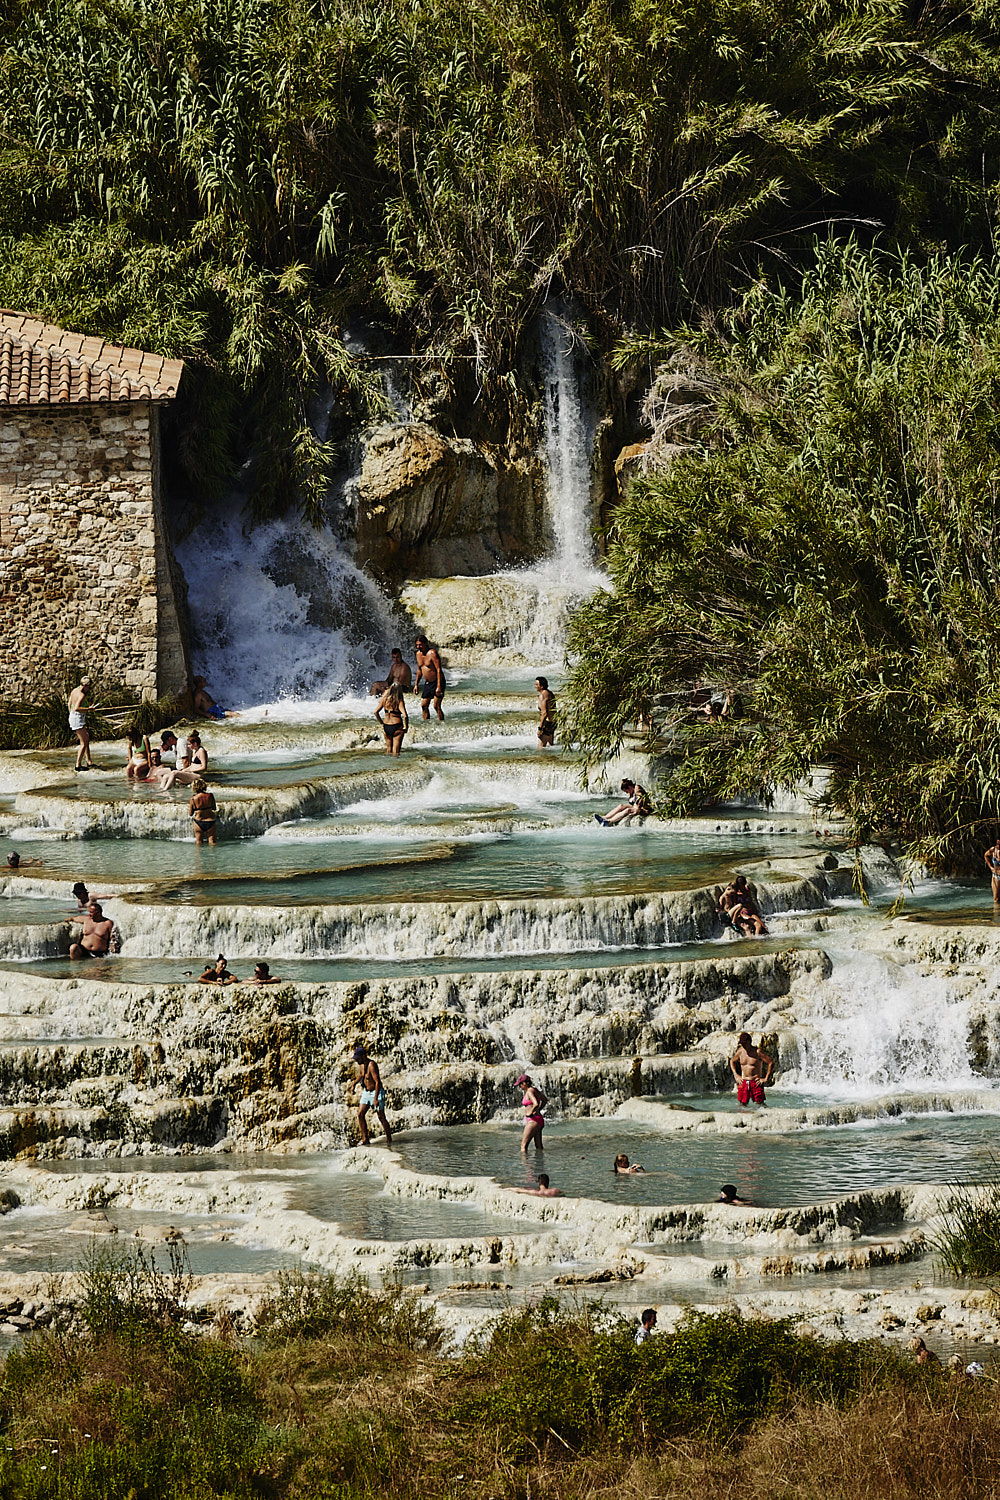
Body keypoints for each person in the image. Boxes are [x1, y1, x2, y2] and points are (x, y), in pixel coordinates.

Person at [354, 1044, 392, 1146]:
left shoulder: (372, 1065)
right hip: (367, 1092)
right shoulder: (362, 1065)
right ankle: (365, 1139)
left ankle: (389, 1139)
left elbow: (377, 1082)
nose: (356, 1061)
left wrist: (375, 1098)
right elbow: (362, 1075)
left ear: (363, 1056)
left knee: (381, 1117)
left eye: (357, 1058)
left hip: (376, 1092)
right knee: (360, 1114)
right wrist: (353, 1084)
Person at [730, 1032, 775, 1106]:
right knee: (742, 1104)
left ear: (749, 1041)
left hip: (756, 1082)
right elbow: (732, 1061)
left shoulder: (757, 1052)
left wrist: (766, 1078)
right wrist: (735, 1074)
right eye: (742, 1043)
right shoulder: (740, 1052)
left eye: (745, 1043)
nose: (743, 1045)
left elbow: (770, 1062)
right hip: (743, 1081)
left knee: (760, 1104)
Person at [413, 634, 445, 721]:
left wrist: (439, 686)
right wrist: (416, 684)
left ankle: (442, 723)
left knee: (436, 706)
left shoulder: (432, 653)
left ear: (425, 643)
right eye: (417, 645)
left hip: (437, 681)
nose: (418, 647)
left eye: (420, 644)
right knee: (424, 705)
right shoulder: (418, 654)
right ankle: (427, 723)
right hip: (428, 683)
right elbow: (419, 669)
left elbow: (439, 670)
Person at [67, 676, 95, 771]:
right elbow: (77, 708)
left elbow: (69, 704)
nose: (89, 690)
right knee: (83, 742)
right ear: (85, 686)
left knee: (86, 737)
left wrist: (71, 715)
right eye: (89, 687)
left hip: (73, 716)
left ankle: (89, 761)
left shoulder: (74, 690)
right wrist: (89, 709)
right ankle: (78, 765)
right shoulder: (81, 695)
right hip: (77, 718)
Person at [374, 682, 409, 757]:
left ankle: (387, 767)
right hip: (397, 726)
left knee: (388, 750)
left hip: (386, 726)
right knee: (395, 752)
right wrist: (406, 727)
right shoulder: (399, 701)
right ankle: (395, 767)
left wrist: (381, 722)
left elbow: (376, 712)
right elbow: (405, 716)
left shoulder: (384, 699)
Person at [517, 1072, 546, 1153]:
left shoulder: (529, 1091)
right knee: (539, 1146)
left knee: (523, 1145)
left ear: (524, 1083)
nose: (520, 1086)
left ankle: (525, 1164)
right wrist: (539, 1110)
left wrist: (531, 1112)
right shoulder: (535, 1090)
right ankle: (540, 1164)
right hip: (539, 1120)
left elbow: (536, 1103)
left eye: (520, 1084)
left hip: (532, 1121)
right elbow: (545, 1100)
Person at [189, 778, 218, 845]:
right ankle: (214, 855)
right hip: (210, 821)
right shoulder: (210, 796)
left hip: (198, 822)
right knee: (212, 842)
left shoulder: (193, 799)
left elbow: (190, 813)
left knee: (199, 842)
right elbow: (214, 808)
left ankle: (199, 855)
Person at [536, 677, 556, 748]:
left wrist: (540, 728)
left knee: (541, 746)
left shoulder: (543, 696)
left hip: (547, 722)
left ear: (541, 686)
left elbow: (544, 713)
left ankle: (542, 759)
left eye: (536, 684)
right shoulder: (550, 693)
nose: (535, 686)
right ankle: (550, 759)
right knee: (550, 745)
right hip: (553, 722)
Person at [985, 837, 1000, 902]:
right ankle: (996, 911)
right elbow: (986, 855)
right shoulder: (993, 849)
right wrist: (991, 867)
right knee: (996, 899)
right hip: (996, 876)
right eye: (997, 843)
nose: (998, 845)